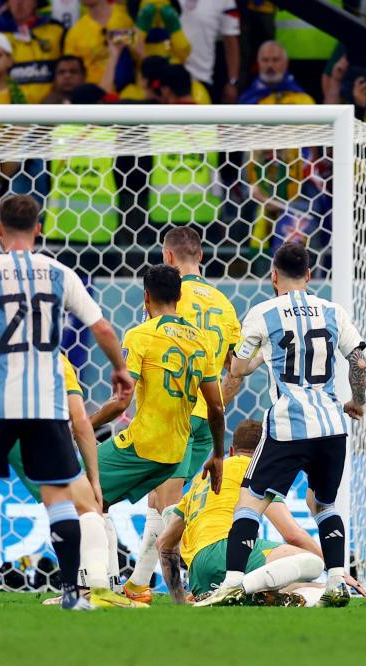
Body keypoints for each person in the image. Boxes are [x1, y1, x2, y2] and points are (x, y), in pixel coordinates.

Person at [0, 194, 135, 611]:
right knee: (58, 496)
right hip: (47, 402)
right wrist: (119, 368)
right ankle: (70, 593)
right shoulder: (60, 273)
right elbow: (101, 328)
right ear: (39, 229)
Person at [203, 241, 366, 608]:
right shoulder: (332, 311)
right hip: (331, 426)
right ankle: (337, 580)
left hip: (287, 425)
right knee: (322, 504)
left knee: (250, 501)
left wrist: (262, 354)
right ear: (309, 275)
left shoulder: (264, 313)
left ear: (273, 276)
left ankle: (232, 581)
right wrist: (357, 402)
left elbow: (237, 368)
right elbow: (357, 360)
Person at [0, 349, 140, 609]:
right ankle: (98, 590)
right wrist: (93, 478)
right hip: (34, 430)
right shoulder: (56, 361)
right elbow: (81, 421)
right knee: (87, 507)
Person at [87, 264, 226, 592]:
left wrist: (82, 424)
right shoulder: (200, 342)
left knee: (81, 495)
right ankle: (164, 591)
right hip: (177, 450)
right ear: (179, 297)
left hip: (143, 444)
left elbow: (121, 402)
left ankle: (97, 589)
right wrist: (219, 454)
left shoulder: (140, 335)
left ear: (145, 296)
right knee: (144, 508)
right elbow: (216, 407)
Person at [122, 228, 240, 605]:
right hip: (210, 417)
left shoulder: (170, 296)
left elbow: (156, 355)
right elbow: (233, 369)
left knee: (168, 502)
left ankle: (184, 580)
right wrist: (218, 404)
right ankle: (139, 586)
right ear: (202, 255)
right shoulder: (224, 304)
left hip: (175, 415)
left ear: (168, 257)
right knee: (160, 501)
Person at [156, 419, 366, 605]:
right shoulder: (253, 470)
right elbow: (292, 534)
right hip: (226, 550)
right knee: (312, 564)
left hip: (199, 573)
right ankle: (238, 589)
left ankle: (236, 594)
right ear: (263, 453)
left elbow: (164, 545)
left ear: (231, 450)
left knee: (308, 589)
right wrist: (336, 571)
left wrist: (180, 599)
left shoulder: (200, 481)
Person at [0, 0, 65, 103]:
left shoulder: (56, 30)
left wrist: (56, 96)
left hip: (52, 109)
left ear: (36, 2)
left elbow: (69, 70)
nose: (19, 3)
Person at [178, 0, 240, 103]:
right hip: (167, 76)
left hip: (201, 78)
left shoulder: (225, 2)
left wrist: (232, 82)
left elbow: (231, 40)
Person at [238, 41, 314, 105]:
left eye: (275, 60)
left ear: (286, 63)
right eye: (265, 60)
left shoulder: (302, 99)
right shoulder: (247, 99)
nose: (270, 65)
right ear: (258, 63)